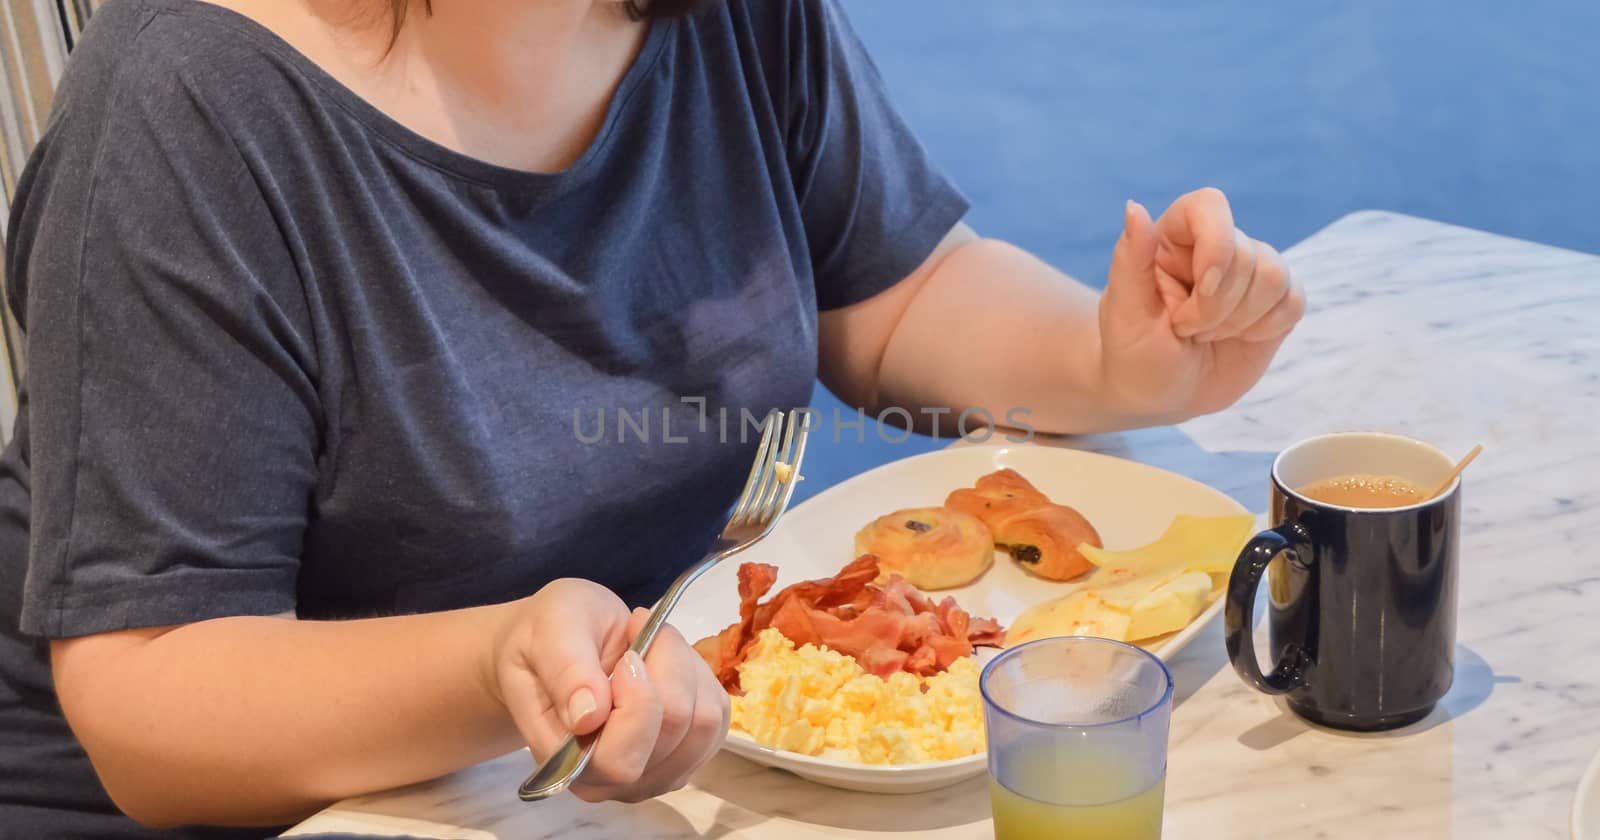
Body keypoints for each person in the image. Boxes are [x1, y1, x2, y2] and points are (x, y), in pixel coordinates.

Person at [0, 0, 1304, 836]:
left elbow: (891, 298)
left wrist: (1115, 355)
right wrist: (492, 661)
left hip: (600, 775)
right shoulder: (187, 114)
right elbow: (149, 701)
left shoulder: (728, 16)